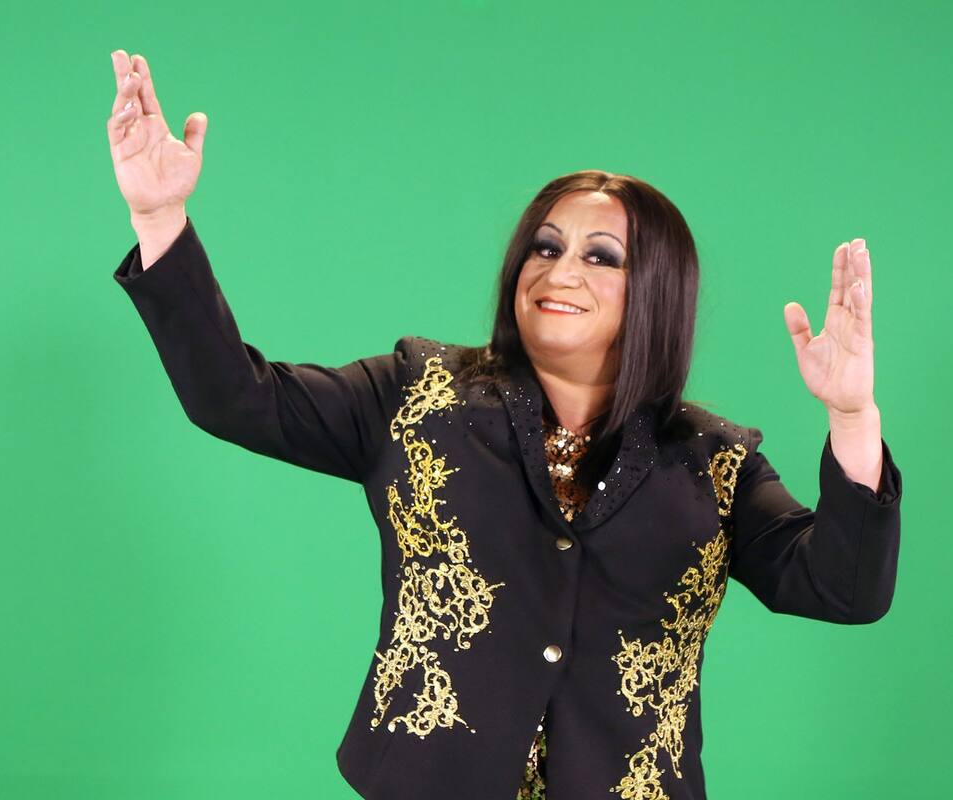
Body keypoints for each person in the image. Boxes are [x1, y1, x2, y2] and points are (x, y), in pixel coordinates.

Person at [106, 49, 903, 800]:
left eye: (601, 257)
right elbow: (236, 399)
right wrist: (161, 217)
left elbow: (845, 589)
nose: (560, 271)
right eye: (545, 248)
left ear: (658, 292)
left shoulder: (715, 464)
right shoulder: (415, 393)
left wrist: (851, 414)